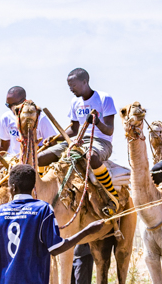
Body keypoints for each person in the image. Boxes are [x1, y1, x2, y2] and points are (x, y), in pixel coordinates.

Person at [38, 69, 118, 206]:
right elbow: (74, 129)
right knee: (39, 158)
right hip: (77, 142)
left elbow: (109, 131)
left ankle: (112, 196)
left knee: (91, 156)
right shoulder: (75, 102)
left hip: (100, 142)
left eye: (73, 85)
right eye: (69, 86)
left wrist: (97, 122)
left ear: (85, 82)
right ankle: (39, 197)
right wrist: (54, 140)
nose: (70, 89)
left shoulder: (104, 98)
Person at [0, 86, 57, 191]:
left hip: (34, 160)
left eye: (14, 105)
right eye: (8, 105)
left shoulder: (39, 117)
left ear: (24, 101)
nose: (11, 108)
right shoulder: (6, 118)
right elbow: (3, 145)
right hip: (12, 159)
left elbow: (53, 143)